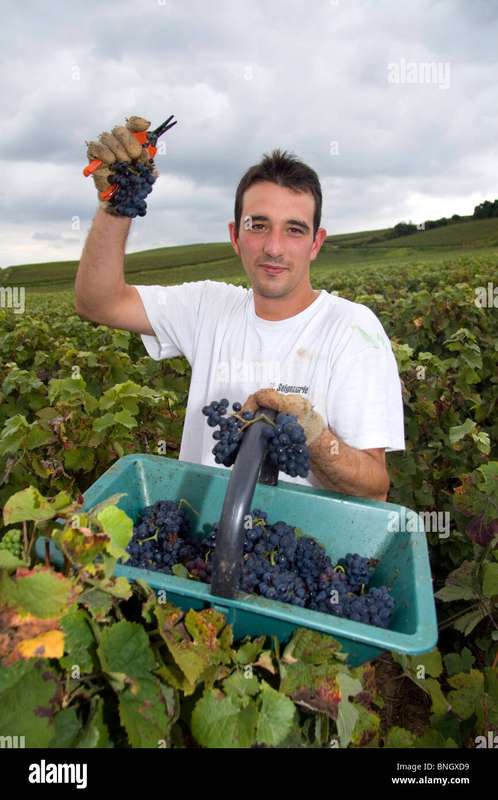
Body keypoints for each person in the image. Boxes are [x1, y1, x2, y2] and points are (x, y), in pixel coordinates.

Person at [75, 115, 405, 500]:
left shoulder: (352, 330)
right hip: (199, 546)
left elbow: (374, 489)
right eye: (258, 225)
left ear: (316, 243)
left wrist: (314, 437)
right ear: (235, 235)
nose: (274, 248)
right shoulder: (207, 307)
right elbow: (98, 301)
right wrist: (119, 204)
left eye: (294, 230)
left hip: (294, 550)